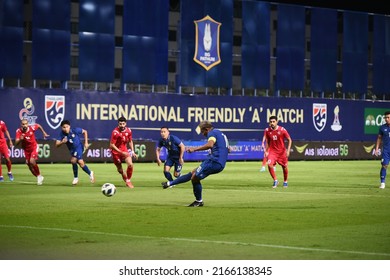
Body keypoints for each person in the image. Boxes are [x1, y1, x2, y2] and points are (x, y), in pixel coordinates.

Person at [161, 121, 229, 207]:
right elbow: (228, 148)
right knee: (192, 173)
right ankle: (170, 183)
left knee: (194, 178)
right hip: (218, 161)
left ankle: (198, 201)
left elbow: (210, 144)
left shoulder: (211, 133)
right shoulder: (219, 132)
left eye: (202, 131)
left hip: (214, 161)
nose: (202, 134)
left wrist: (194, 149)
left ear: (207, 129)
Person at [55, 120, 95, 185]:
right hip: (72, 150)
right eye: (64, 127)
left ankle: (76, 178)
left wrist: (86, 142)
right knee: (81, 163)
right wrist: (62, 142)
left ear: (69, 126)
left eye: (67, 127)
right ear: (61, 128)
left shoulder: (75, 130)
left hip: (79, 147)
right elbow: (56, 145)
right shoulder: (61, 134)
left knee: (73, 160)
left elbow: (85, 131)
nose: (65, 129)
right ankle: (90, 173)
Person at [15, 119, 49, 185]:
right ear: (21, 125)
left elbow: (38, 126)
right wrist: (20, 140)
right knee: (29, 166)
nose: (24, 125)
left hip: (34, 147)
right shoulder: (18, 131)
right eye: (23, 124)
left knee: (32, 161)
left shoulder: (31, 128)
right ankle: (39, 177)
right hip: (26, 150)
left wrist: (44, 133)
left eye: (25, 124)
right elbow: (16, 143)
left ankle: (39, 176)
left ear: (28, 124)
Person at [263, 115, 292, 188]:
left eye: (273, 122)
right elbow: (268, 142)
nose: (272, 123)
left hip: (282, 152)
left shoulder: (282, 130)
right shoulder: (267, 130)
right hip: (272, 152)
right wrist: (266, 151)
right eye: (271, 122)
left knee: (284, 167)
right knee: (269, 164)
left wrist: (288, 151)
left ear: (277, 122)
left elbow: (289, 140)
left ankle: (285, 181)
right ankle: (275, 180)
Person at [110, 116, 138, 188]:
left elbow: (130, 141)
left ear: (125, 123)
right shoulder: (115, 132)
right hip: (116, 152)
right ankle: (125, 178)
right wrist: (121, 152)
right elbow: (112, 145)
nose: (122, 125)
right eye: (120, 124)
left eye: (123, 124)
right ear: (118, 124)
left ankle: (128, 180)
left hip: (124, 150)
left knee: (130, 165)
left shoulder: (129, 131)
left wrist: (132, 151)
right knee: (120, 170)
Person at [374, 111, 390, 189]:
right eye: (385, 118)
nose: (386, 119)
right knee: (384, 165)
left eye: (388, 117)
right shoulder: (382, 127)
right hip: (386, 150)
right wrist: (377, 149)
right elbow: (379, 138)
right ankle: (382, 183)